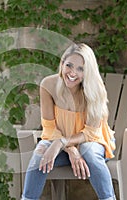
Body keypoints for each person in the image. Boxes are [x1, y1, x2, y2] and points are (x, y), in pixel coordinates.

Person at [21, 43, 116, 200]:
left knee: (89, 152)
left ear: (88, 72)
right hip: (58, 139)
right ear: (62, 64)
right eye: (69, 65)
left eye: (80, 69)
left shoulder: (95, 90)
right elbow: (49, 127)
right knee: (39, 157)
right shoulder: (48, 85)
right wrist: (70, 149)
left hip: (92, 140)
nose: (73, 72)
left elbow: (90, 133)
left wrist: (62, 143)